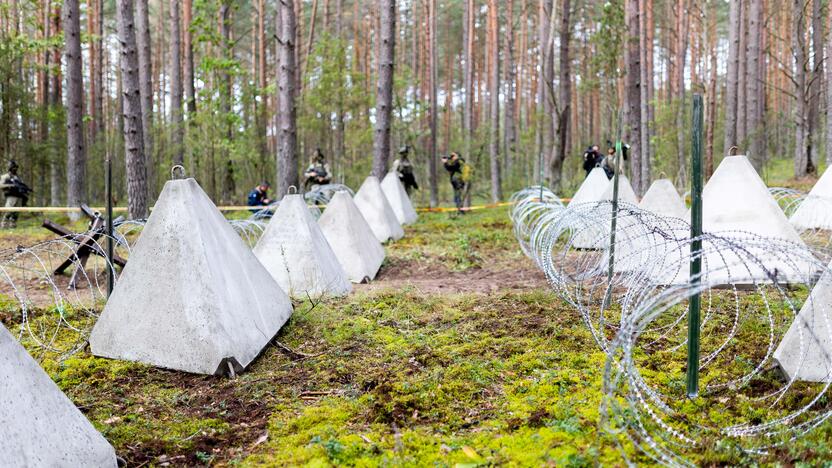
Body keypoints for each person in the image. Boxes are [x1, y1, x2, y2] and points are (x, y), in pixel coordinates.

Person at [0, 160, 31, 229]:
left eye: (16, 168)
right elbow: (1, 185)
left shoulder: (18, 177)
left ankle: (13, 225)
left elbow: (21, 185)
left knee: (16, 212)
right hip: (11, 196)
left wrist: (26, 190)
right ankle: (3, 224)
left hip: (19, 196)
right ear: (10, 167)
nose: (15, 169)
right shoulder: (5, 176)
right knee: (8, 210)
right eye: (13, 167)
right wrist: (11, 185)